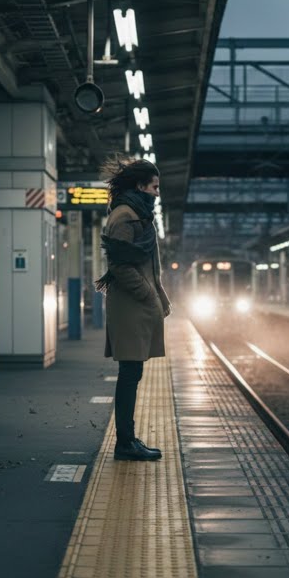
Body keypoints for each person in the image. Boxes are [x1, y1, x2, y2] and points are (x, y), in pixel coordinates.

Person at [94, 157, 172, 462]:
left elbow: (148, 266)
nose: (156, 192)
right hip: (130, 306)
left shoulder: (138, 214)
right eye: (153, 186)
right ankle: (125, 442)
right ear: (140, 185)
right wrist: (149, 296)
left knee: (132, 372)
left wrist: (160, 296)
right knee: (129, 373)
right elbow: (121, 265)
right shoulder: (125, 217)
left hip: (136, 305)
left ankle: (128, 439)